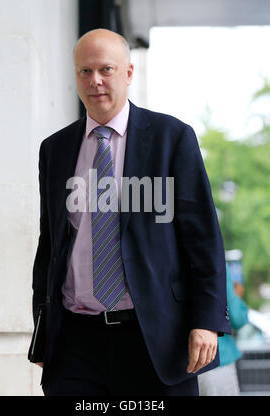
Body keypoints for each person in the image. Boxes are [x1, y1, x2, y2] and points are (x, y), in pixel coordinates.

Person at [29, 28, 231, 396]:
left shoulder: (172, 139)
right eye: (85, 72)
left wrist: (207, 321)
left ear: (128, 73)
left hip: (155, 339)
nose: (95, 81)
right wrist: (44, 327)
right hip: (76, 344)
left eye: (106, 69)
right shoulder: (54, 150)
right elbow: (51, 246)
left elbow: (203, 239)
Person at [198, 264, 248, 395]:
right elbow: (236, 317)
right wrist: (236, 296)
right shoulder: (215, 260)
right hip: (216, 361)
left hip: (174, 369)